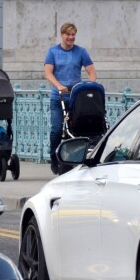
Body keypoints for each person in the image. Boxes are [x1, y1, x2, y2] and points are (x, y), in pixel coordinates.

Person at [43, 22, 97, 172]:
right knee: (56, 129)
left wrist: (89, 86)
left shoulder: (81, 52)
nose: (71, 37)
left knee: (77, 129)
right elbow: (48, 73)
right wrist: (58, 85)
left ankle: (76, 158)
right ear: (62, 35)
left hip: (75, 97)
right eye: (68, 35)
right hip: (58, 97)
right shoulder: (53, 52)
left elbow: (91, 72)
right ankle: (54, 157)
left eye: (73, 35)